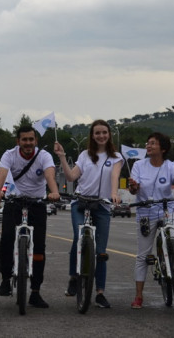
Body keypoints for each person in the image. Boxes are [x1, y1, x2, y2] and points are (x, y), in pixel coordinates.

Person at [54, 118, 123, 309]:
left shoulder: (116, 157)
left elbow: (115, 176)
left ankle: (100, 292)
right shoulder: (85, 155)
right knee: (78, 237)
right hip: (81, 202)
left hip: (102, 205)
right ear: (92, 136)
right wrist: (62, 157)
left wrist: (114, 194)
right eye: (97, 133)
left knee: (100, 251)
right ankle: (73, 277)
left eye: (104, 132)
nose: (101, 136)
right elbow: (71, 177)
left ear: (109, 135)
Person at [127, 132, 174, 308]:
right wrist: (133, 187)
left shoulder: (170, 166)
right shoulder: (138, 165)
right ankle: (138, 296)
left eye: (153, 143)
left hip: (168, 211)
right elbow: (134, 190)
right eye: (148, 143)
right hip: (146, 213)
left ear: (163, 148)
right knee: (143, 255)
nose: (148, 145)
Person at [0, 126, 61, 308]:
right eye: (24, 139)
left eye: (31, 139)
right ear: (18, 142)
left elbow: (50, 176)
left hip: (37, 204)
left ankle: (35, 292)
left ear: (36, 141)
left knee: (39, 248)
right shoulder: (9, 155)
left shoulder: (44, 156)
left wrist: (54, 192)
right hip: (14, 202)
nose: (28, 143)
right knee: (6, 240)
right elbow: (2, 175)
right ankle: (6, 279)